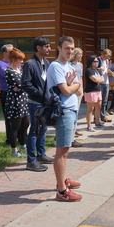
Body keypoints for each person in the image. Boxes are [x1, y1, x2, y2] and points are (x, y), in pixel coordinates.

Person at [46, 36, 82, 202]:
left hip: (72, 110)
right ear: (59, 48)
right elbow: (67, 91)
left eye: (72, 48)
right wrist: (73, 86)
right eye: (67, 48)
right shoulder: (56, 66)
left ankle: (63, 180)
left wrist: (72, 86)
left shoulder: (69, 66)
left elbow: (78, 90)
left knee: (66, 150)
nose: (70, 52)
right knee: (62, 151)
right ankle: (61, 190)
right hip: (65, 111)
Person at [21, 37, 53, 172]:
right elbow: (25, 84)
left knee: (43, 129)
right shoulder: (30, 63)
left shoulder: (46, 62)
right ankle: (31, 160)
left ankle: (41, 154)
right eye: (46, 46)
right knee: (34, 130)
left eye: (49, 46)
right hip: (35, 102)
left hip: (45, 102)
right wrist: (39, 93)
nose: (49, 49)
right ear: (38, 48)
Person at [4, 48, 29, 157]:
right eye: (20, 60)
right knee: (15, 126)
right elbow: (21, 84)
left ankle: (23, 145)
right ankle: (14, 150)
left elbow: (26, 82)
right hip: (15, 101)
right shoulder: (9, 71)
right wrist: (23, 86)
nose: (22, 62)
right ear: (13, 59)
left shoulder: (20, 70)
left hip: (23, 100)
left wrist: (23, 87)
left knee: (25, 123)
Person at [0, 44, 13, 143]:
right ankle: (10, 139)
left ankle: (20, 138)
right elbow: (10, 76)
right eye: (10, 52)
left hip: (17, 94)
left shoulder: (15, 63)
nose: (12, 54)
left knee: (19, 117)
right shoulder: (0, 64)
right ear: (4, 53)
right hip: (6, 93)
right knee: (9, 118)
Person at [84, 55, 104, 132]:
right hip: (90, 91)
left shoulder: (97, 70)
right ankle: (89, 125)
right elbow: (95, 79)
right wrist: (99, 79)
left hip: (98, 91)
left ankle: (97, 121)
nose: (96, 63)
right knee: (90, 109)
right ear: (90, 62)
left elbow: (102, 79)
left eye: (97, 61)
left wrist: (99, 79)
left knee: (98, 107)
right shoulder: (88, 70)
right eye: (94, 61)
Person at [98, 49, 112, 123]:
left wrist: (109, 72)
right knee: (98, 101)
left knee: (104, 101)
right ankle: (96, 117)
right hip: (100, 82)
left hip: (106, 82)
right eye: (106, 56)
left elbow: (106, 70)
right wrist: (99, 68)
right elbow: (92, 69)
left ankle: (103, 116)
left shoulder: (106, 61)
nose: (107, 58)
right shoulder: (98, 60)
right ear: (102, 54)